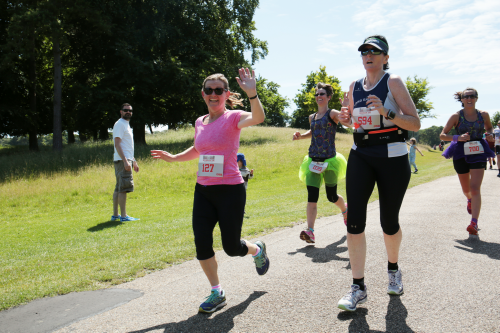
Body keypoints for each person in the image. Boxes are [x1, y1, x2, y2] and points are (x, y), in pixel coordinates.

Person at [150, 68, 269, 314]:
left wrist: (253, 93)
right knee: (202, 244)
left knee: (231, 247)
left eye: (218, 90)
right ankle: (217, 292)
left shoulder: (234, 117)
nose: (213, 94)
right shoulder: (199, 122)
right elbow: (198, 150)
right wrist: (173, 158)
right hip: (203, 190)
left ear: (226, 94)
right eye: (209, 90)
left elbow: (258, 117)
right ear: (203, 94)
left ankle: (257, 249)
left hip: (230, 190)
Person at [337, 35, 421, 311]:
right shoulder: (353, 86)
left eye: (375, 51)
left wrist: (388, 112)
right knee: (354, 220)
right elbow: (355, 123)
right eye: (364, 51)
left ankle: (394, 270)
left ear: (385, 57)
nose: (368, 55)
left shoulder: (393, 82)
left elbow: (415, 123)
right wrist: (346, 119)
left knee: (388, 222)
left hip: (392, 156)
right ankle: (358, 286)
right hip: (361, 154)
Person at [292, 82, 348, 244]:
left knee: (331, 196)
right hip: (313, 161)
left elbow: (347, 121)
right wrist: (300, 136)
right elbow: (313, 132)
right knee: (312, 197)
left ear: (329, 97)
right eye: (317, 94)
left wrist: (345, 107)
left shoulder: (333, 114)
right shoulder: (312, 117)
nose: (319, 97)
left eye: (322, 94)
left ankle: (345, 210)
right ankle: (310, 231)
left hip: (330, 161)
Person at [440, 88, 495, 235]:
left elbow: (489, 127)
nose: (469, 98)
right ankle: (469, 199)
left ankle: (474, 223)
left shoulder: (483, 115)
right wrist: (458, 138)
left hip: (478, 150)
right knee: (467, 190)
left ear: (476, 98)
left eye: (472, 96)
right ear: (462, 99)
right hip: (460, 152)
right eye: (466, 96)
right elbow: (443, 135)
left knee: (475, 188)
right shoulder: (456, 116)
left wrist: (489, 134)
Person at [111, 103, 140, 222]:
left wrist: (133, 160)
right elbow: (117, 144)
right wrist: (125, 161)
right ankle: (123, 216)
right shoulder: (120, 124)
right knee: (123, 189)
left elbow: (127, 146)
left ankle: (115, 215)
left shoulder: (126, 125)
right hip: (122, 160)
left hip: (126, 159)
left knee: (118, 188)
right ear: (121, 111)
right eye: (125, 110)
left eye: (130, 110)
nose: (128, 112)